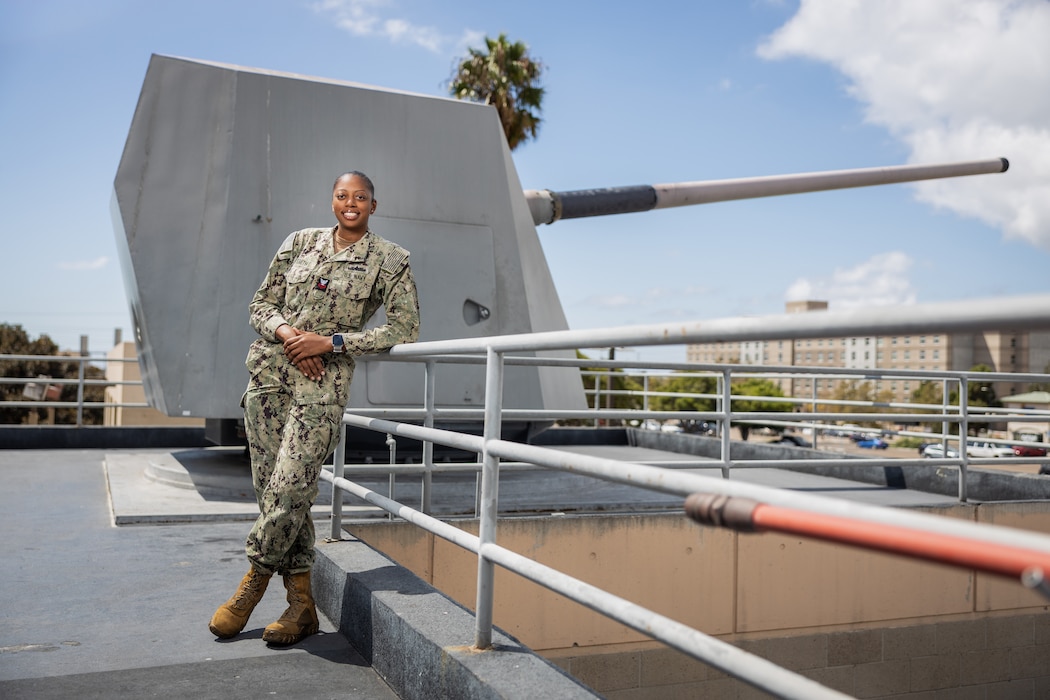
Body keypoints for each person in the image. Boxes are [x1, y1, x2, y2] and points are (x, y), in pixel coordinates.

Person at [209, 171, 420, 645]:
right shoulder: (300, 242)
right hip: (269, 377)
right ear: (332, 202)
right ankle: (301, 605)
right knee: (275, 492)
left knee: (290, 486)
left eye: (360, 197)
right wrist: (291, 340)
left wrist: (330, 343)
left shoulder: (390, 260)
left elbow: (404, 330)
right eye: (343, 196)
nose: (351, 203)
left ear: (373, 205)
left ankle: (252, 584)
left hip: (321, 388)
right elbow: (261, 305)